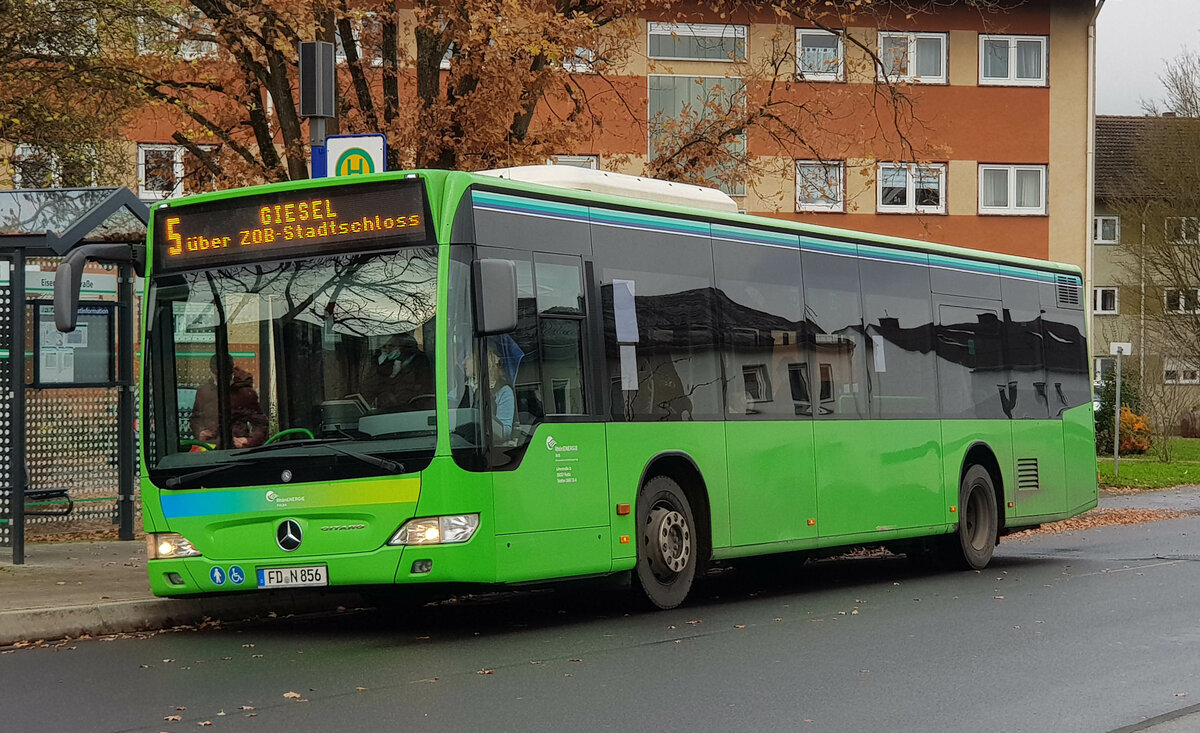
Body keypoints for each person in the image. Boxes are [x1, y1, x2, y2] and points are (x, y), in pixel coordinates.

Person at [190, 354, 268, 449]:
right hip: (210, 447)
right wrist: (200, 433)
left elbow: (260, 423)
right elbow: (195, 419)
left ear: (232, 372)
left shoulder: (245, 393)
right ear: (212, 372)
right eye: (217, 376)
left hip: (236, 447)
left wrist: (249, 441)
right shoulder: (203, 392)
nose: (221, 379)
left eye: (225, 376)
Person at [369, 332, 433, 410]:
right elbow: (374, 385)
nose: (388, 350)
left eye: (391, 346)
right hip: (386, 407)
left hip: (411, 407)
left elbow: (422, 386)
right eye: (384, 347)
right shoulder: (385, 362)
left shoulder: (419, 360)